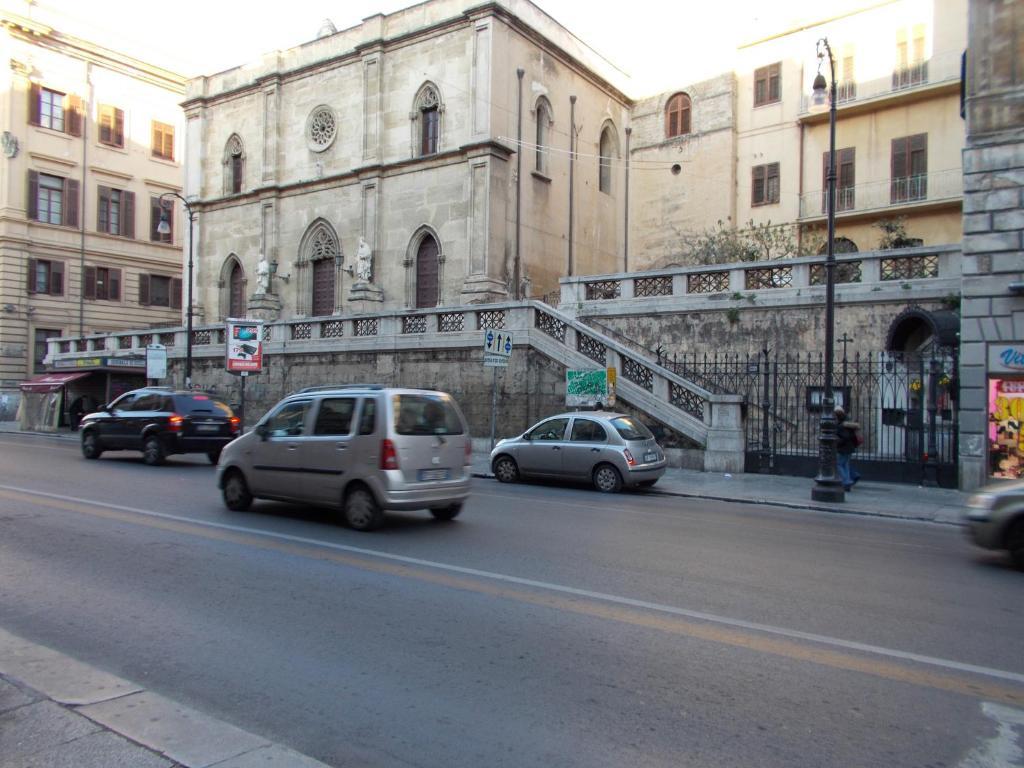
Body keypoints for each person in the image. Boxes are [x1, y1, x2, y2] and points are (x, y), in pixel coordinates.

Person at [835, 406, 861, 491]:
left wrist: (837, 442)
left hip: (843, 448)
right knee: (845, 465)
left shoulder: (842, 425)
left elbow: (845, 437)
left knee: (838, 464)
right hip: (849, 447)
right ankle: (848, 481)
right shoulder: (848, 421)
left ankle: (846, 482)